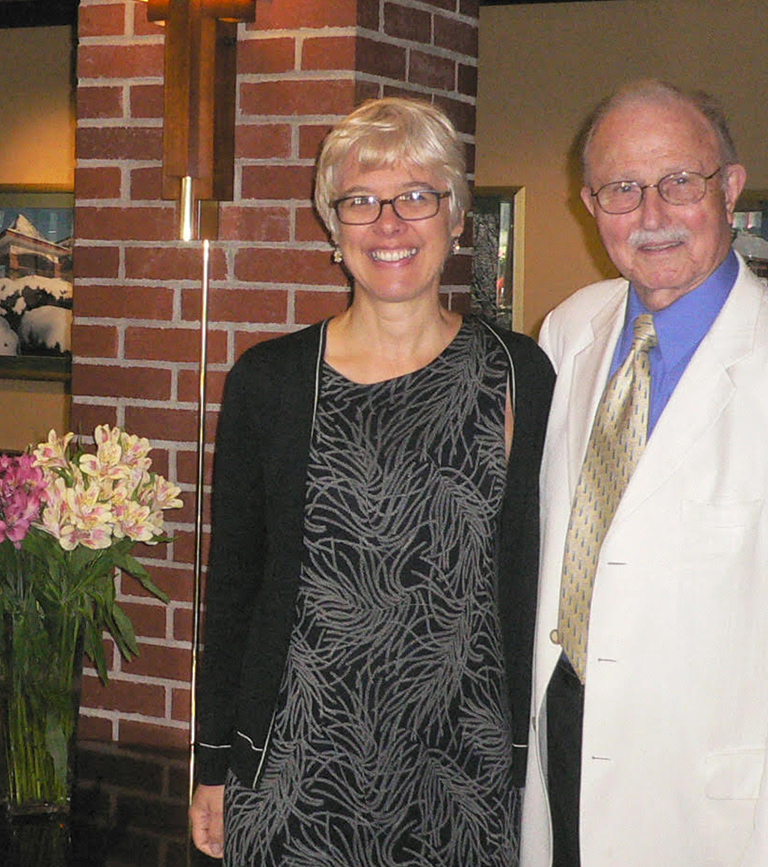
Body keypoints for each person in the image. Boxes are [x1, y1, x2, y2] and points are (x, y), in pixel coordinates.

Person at [189, 97, 555, 866]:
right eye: (360, 201)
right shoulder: (271, 381)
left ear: (455, 218)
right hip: (295, 775)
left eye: (416, 196)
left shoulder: (520, 374)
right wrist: (213, 762)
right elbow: (234, 589)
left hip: (465, 777)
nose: (389, 225)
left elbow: (530, 582)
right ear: (332, 227)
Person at [522, 79, 768, 867]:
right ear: (588, 202)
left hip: (709, 811)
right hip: (564, 750)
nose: (651, 215)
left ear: (731, 188)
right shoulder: (570, 331)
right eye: (622, 189)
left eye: (679, 181)